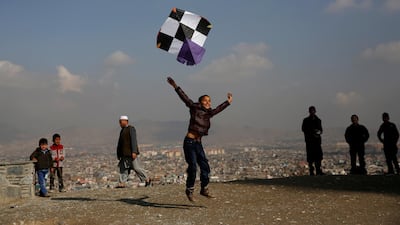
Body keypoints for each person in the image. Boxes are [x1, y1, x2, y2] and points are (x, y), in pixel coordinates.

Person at [167, 76, 232, 201]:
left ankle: (204, 189)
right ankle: (190, 190)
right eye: (205, 100)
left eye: (209, 101)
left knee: (205, 166)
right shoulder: (194, 107)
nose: (208, 102)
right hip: (189, 142)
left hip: (198, 143)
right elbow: (184, 98)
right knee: (192, 167)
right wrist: (175, 86)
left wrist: (227, 102)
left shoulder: (209, 113)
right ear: (200, 102)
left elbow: (218, 109)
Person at [116, 115, 151, 188]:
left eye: (121, 122)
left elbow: (133, 140)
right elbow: (120, 143)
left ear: (126, 121)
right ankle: (122, 183)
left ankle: (147, 179)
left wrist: (134, 151)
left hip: (131, 153)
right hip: (124, 154)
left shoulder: (131, 129)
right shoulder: (122, 131)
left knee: (137, 168)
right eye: (120, 122)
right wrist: (119, 154)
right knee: (123, 169)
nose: (120, 123)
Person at [301, 106, 324, 176]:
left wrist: (318, 132)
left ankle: (318, 170)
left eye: (313, 111)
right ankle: (311, 170)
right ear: (309, 111)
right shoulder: (306, 120)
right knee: (310, 157)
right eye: (311, 111)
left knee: (318, 156)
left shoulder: (318, 120)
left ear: (315, 111)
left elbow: (321, 130)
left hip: (317, 141)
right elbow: (303, 129)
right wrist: (311, 132)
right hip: (309, 141)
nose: (312, 112)